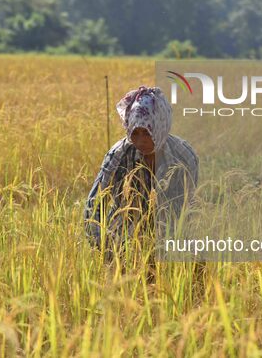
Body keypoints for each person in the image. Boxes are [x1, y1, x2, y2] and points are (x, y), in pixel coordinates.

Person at [83, 85, 199, 259]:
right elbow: (93, 207)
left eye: (146, 133)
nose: (140, 141)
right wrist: (106, 246)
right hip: (124, 241)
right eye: (134, 133)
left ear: (160, 126)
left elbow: (189, 209)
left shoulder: (184, 156)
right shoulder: (118, 155)